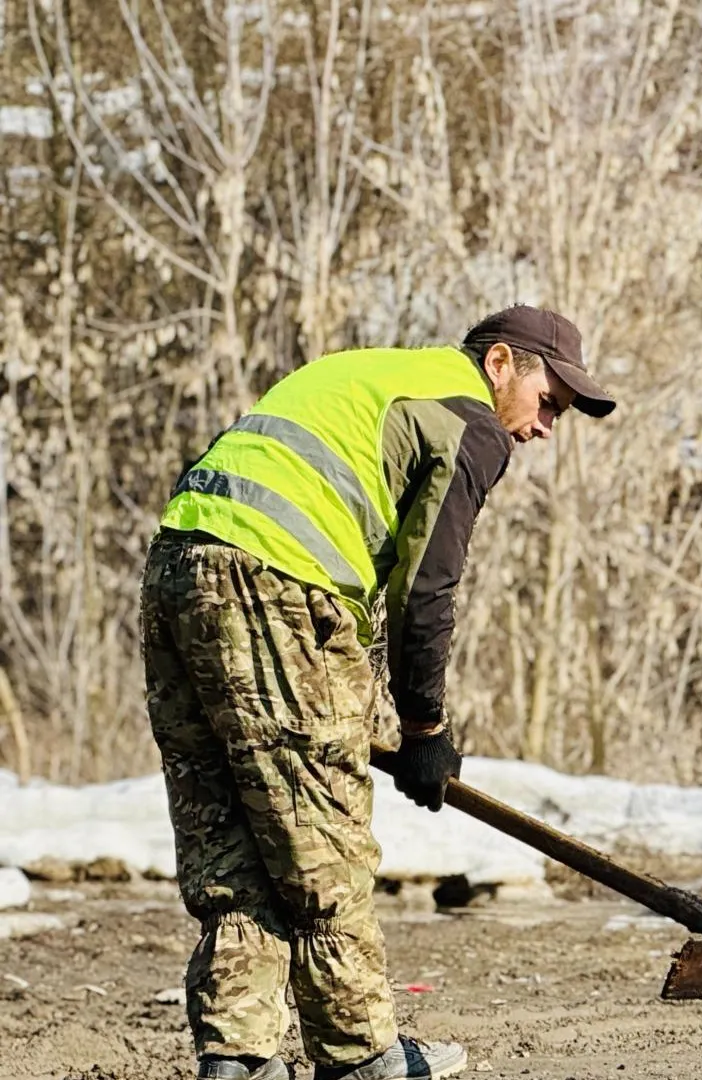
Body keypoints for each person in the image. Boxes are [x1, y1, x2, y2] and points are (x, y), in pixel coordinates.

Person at [141, 307, 615, 1080]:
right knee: (322, 844)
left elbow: (340, 567)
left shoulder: (377, 373)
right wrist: (426, 727)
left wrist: (355, 702)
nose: (545, 427)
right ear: (500, 363)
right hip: (274, 585)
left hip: (177, 575)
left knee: (232, 839)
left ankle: (239, 1056)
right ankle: (362, 1054)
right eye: (550, 401)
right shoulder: (469, 421)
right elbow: (427, 588)